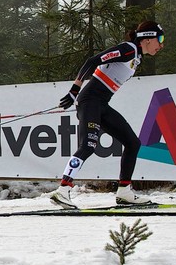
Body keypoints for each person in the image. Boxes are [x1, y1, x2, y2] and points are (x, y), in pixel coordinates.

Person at [49, 21, 167, 208]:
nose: (161, 45)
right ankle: (62, 190)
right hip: (90, 102)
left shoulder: (136, 56)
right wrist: (74, 91)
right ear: (148, 38)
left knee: (133, 143)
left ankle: (124, 192)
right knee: (88, 146)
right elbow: (92, 61)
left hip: (101, 104)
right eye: (160, 39)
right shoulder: (128, 49)